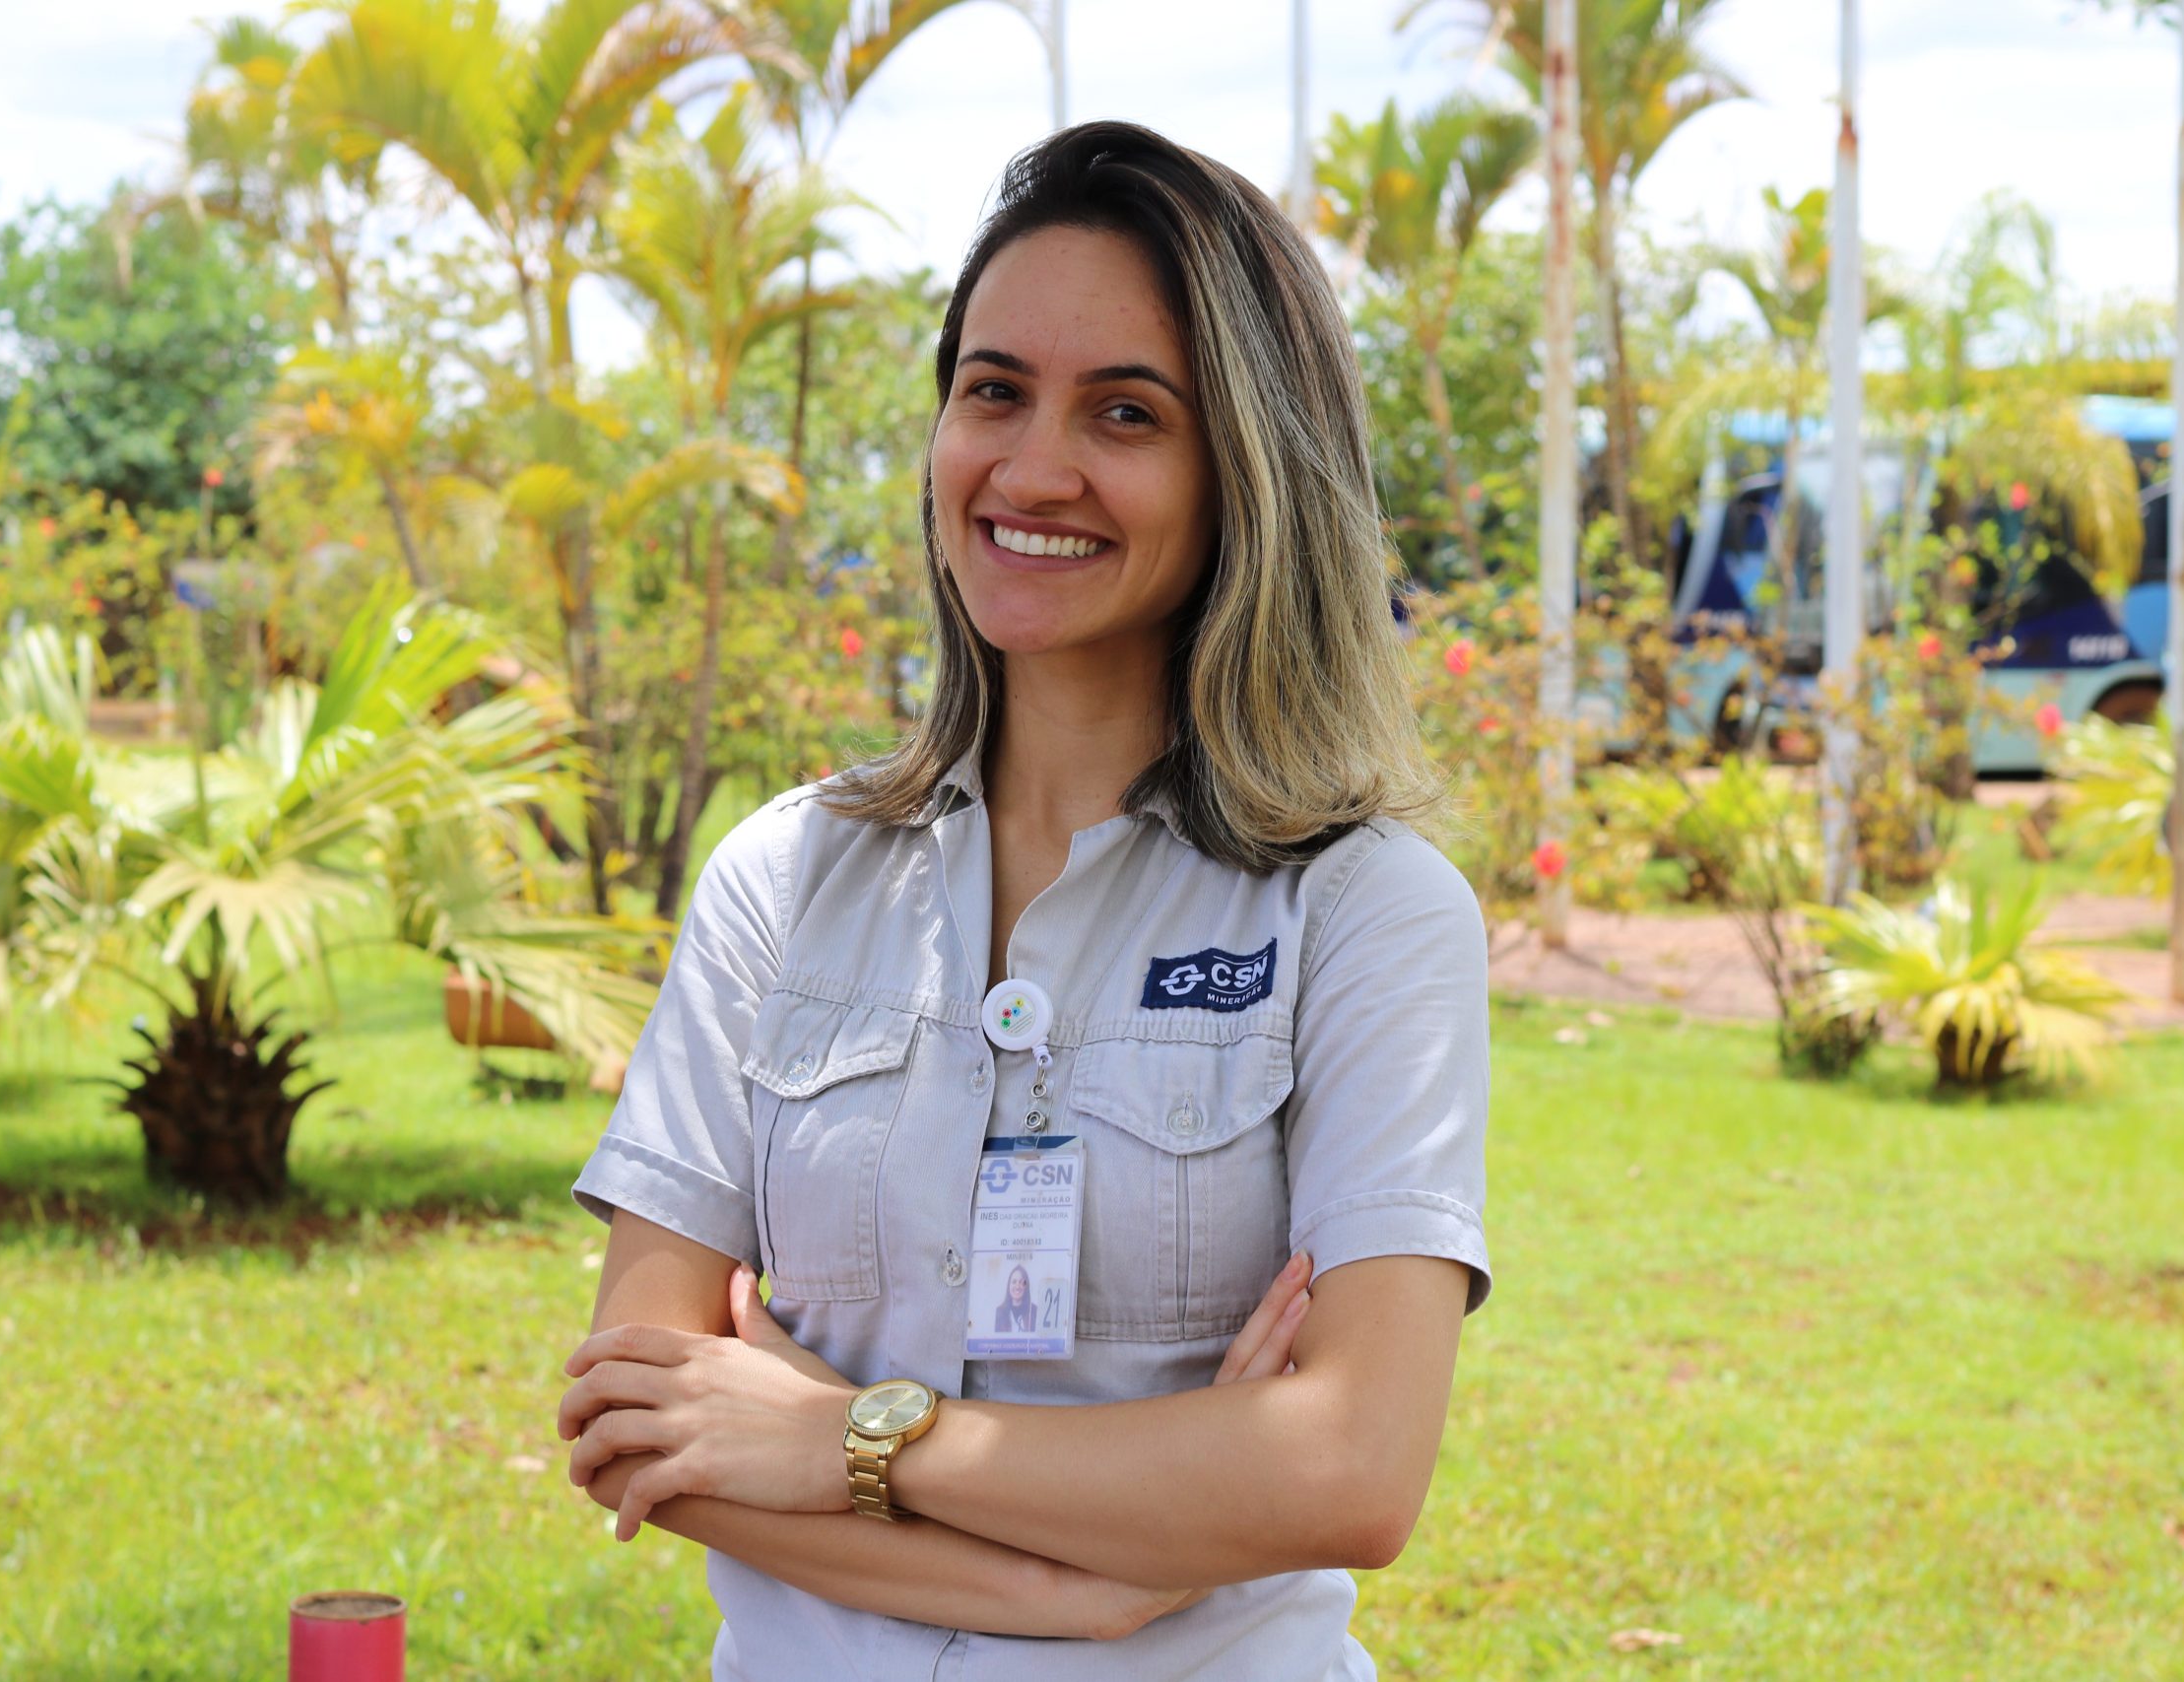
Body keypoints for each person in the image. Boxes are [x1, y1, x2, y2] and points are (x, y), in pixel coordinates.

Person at [558, 119, 1490, 1680]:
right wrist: (1101, 1578)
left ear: (1243, 472)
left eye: (1126, 412)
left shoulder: (1366, 908)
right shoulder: (781, 876)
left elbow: (1347, 1468)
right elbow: (636, 1416)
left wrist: (850, 1434)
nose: (1032, 466)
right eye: (994, 390)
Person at [994, 1264, 1037, 1334]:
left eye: (1021, 1282)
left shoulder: (1034, 1311)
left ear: (1026, 1286)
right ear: (1009, 1285)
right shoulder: (999, 1313)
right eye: (1014, 1282)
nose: (1017, 1286)